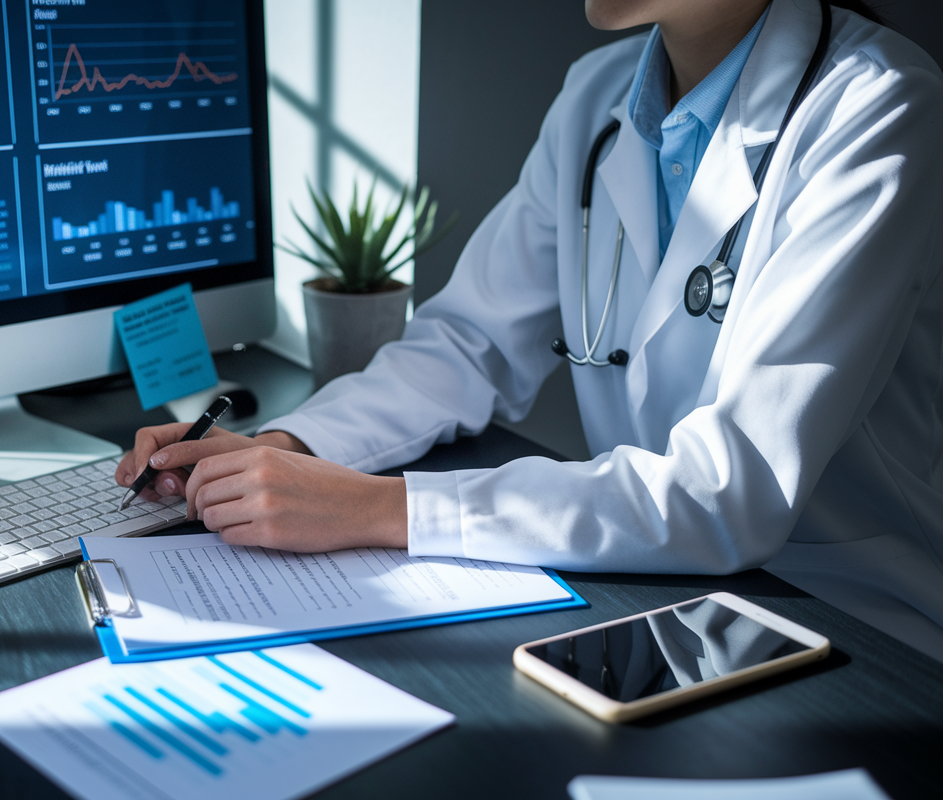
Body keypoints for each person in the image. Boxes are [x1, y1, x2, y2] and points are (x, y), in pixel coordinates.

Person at [116, 0, 943, 661]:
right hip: (666, 592)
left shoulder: (876, 105)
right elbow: (466, 344)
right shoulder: (597, 97)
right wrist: (291, 447)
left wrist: (377, 508)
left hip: (847, 616)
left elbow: (731, 490)